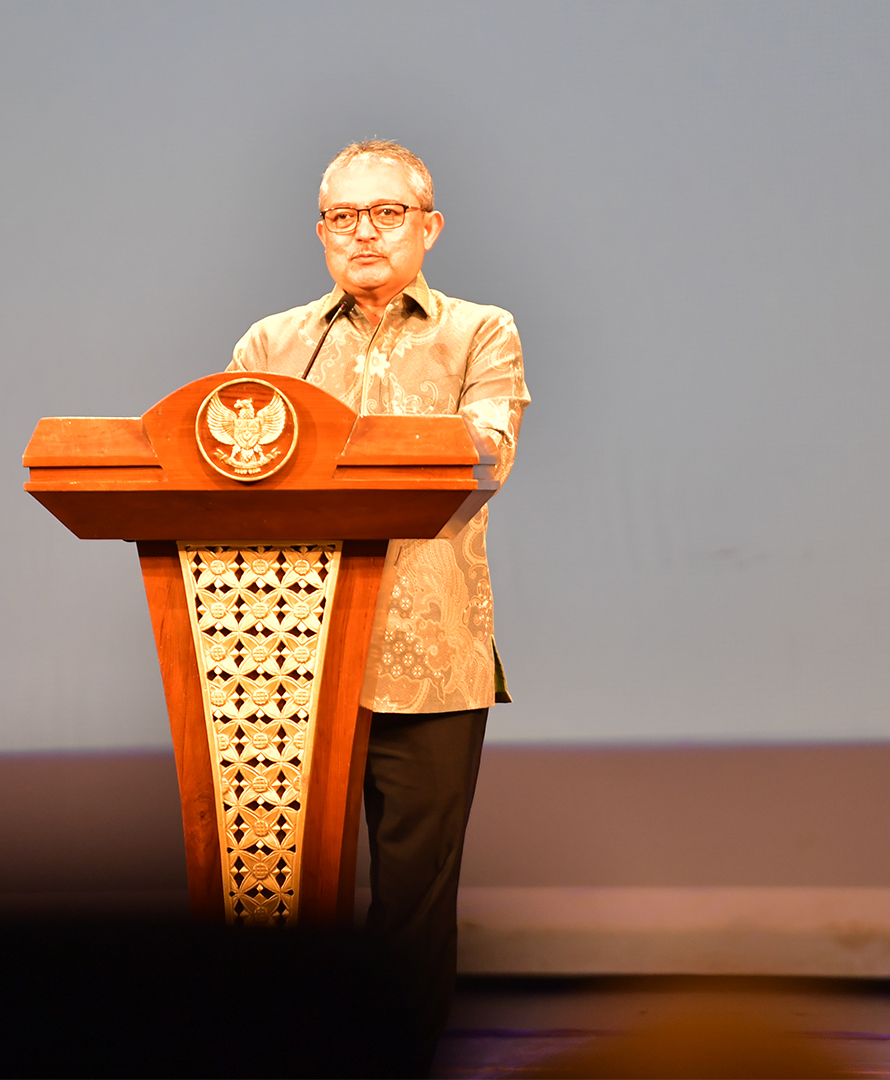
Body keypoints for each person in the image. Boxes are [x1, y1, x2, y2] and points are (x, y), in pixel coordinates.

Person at [226, 140, 530, 1060]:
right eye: (343, 216)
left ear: (429, 227)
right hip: (289, 662)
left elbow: (484, 458)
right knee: (278, 899)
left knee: (413, 904)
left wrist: (335, 456)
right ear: (320, 232)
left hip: (430, 662)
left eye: (388, 213)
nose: (364, 232)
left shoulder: (479, 332)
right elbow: (229, 477)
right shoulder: (272, 345)